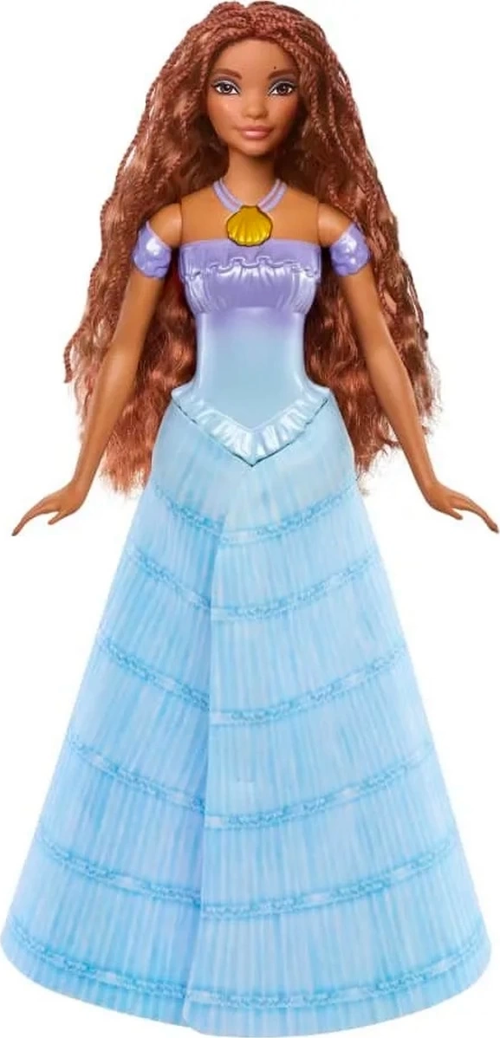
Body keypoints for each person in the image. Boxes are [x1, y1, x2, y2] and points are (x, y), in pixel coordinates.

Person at [1, 3, 495, 1035]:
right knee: (175, 681)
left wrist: (428, 474)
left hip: (303, 455)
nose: (254, 107)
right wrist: (80, 474)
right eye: (230, 86)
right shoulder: (172, 228)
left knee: (314, 678)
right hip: (197, 453)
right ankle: (174, 937)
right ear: (199, 101)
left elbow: (380, 350)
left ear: (309, 100)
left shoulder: (328, 226)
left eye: (277, 86)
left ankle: (306, 936)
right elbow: (124, 353)